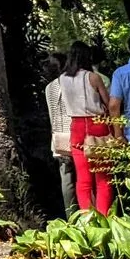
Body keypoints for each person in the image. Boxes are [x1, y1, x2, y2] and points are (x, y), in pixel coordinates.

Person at [57, 43, 114, 215]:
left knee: (83, 178)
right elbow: (107, 102)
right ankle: (104, 216)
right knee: (103, 177)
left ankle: (86, 218)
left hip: (76, 126)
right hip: (96, 126)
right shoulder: (93, 77)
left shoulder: (62, 78)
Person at [43, 56, 77, 216]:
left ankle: (71, 216)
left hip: (59, 137)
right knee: (85, 178)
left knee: (67, 178)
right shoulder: (72, 84)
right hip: (75, 134)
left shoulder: (49, 88)